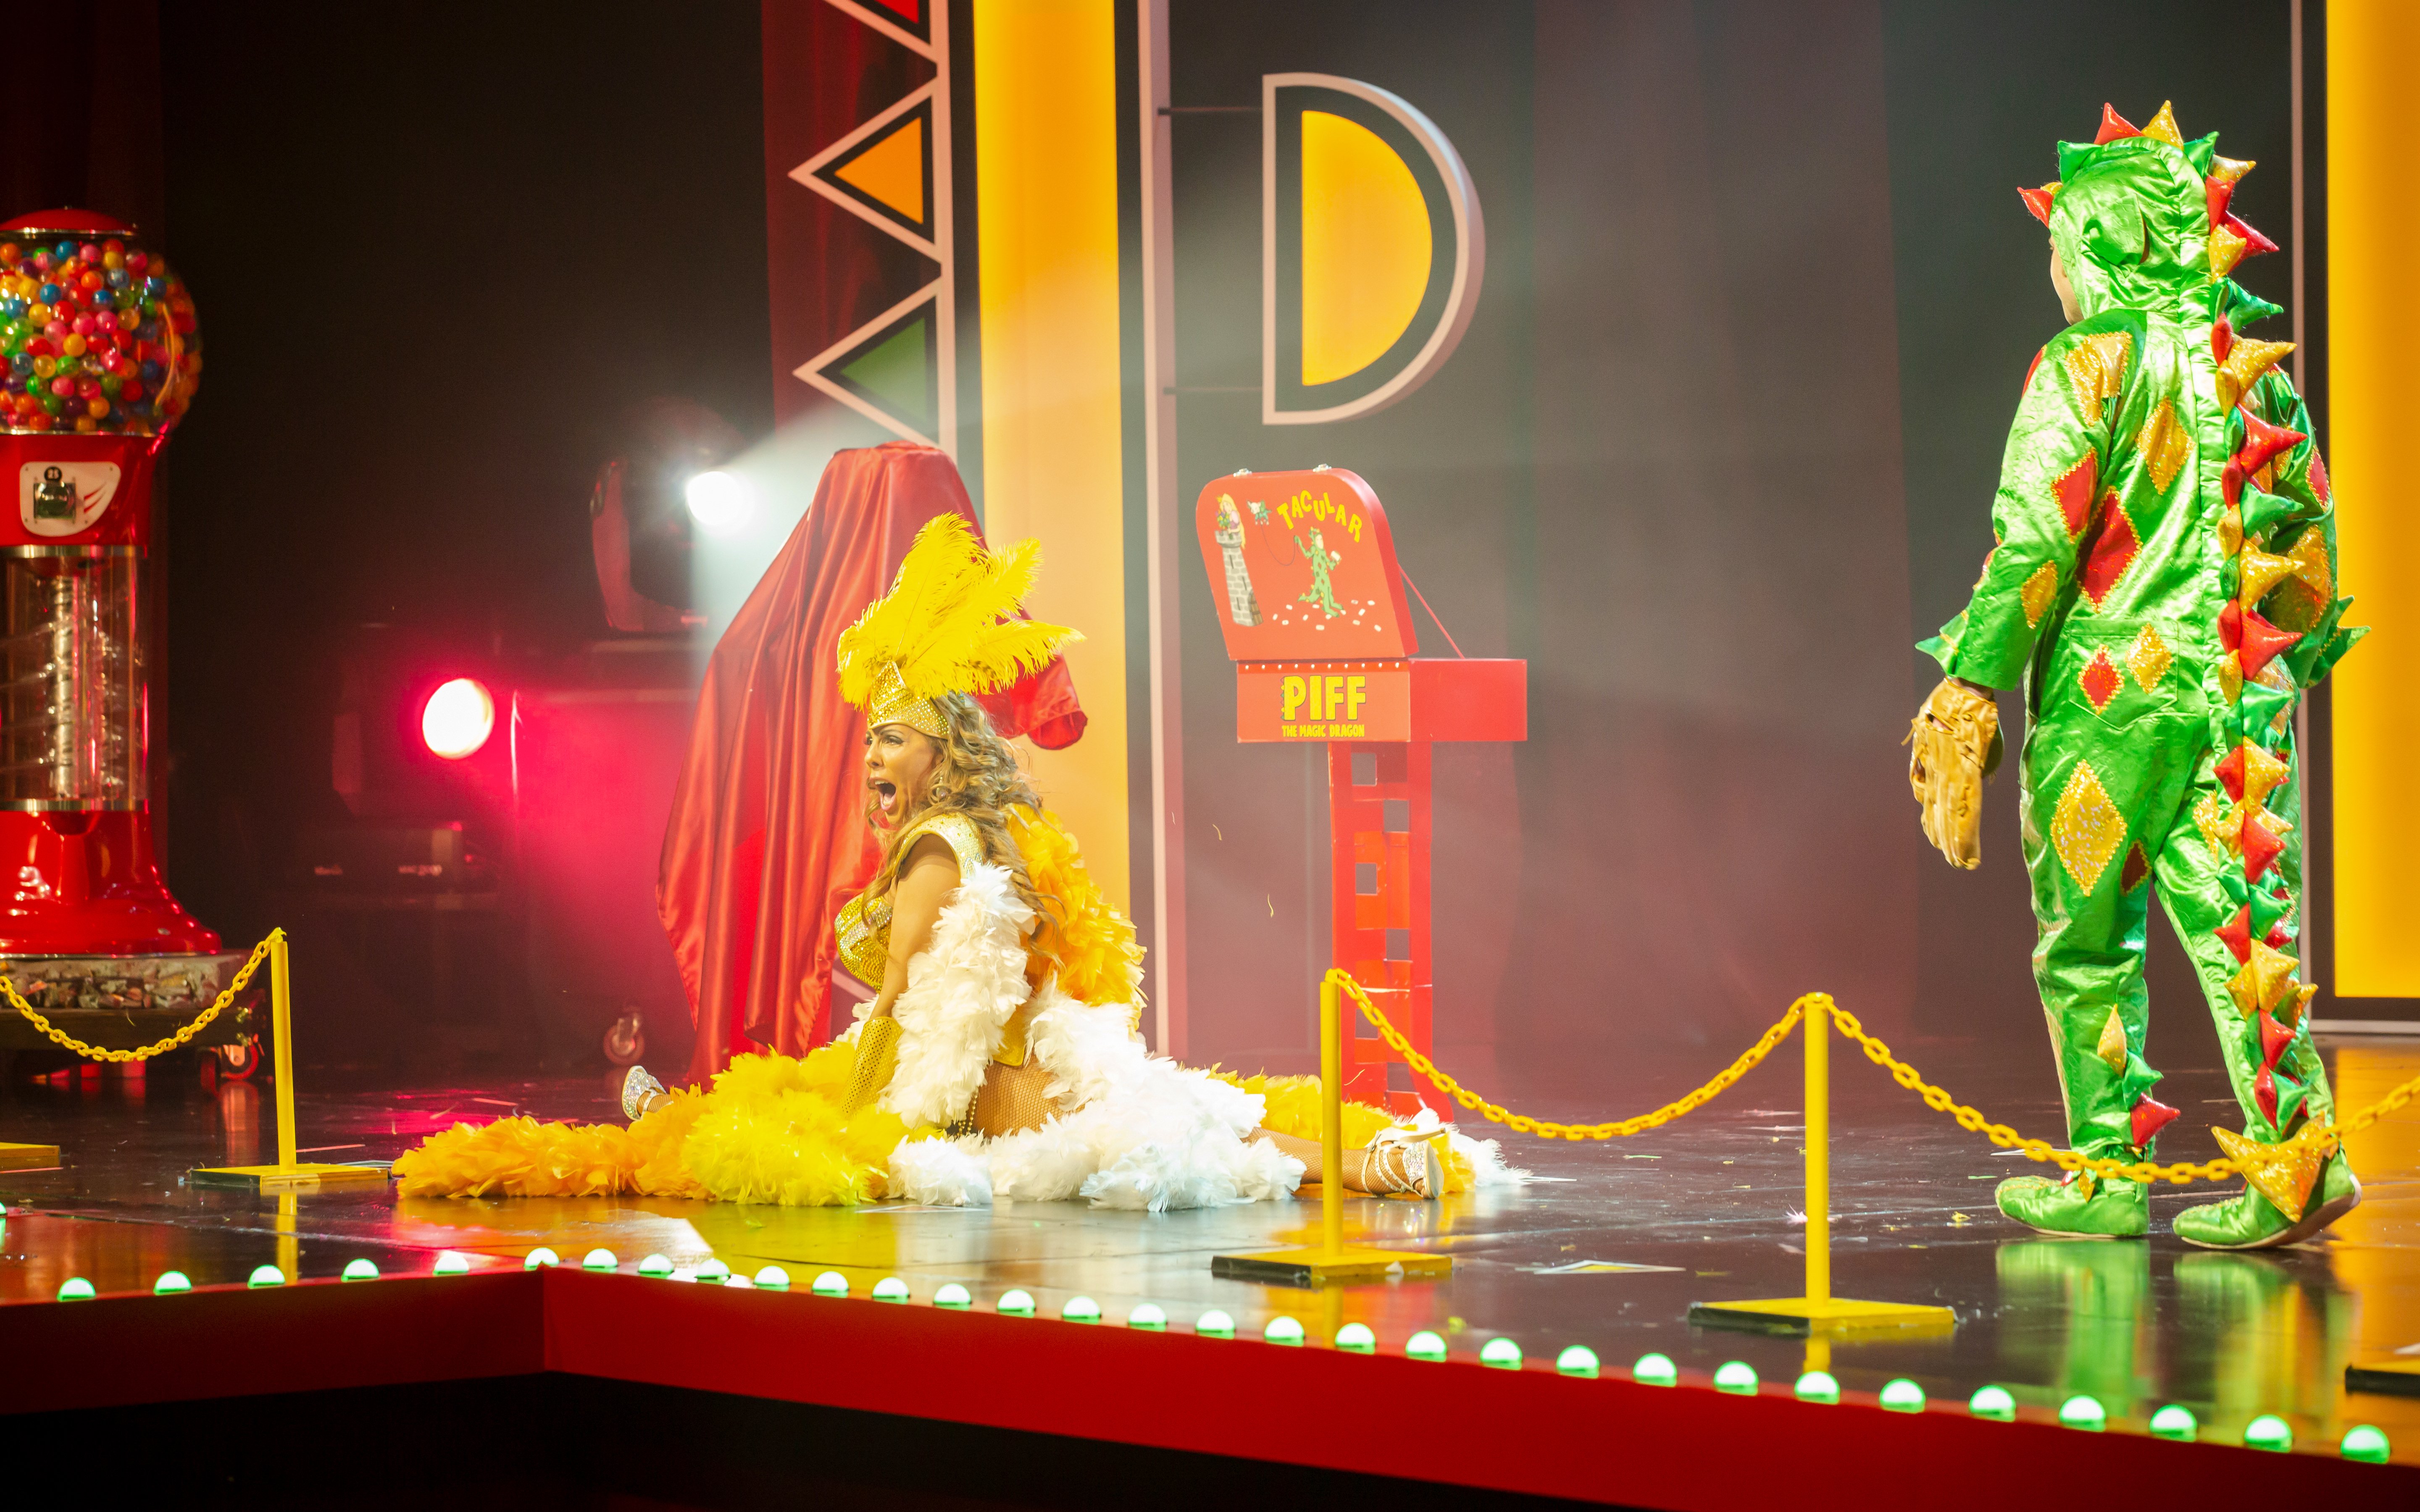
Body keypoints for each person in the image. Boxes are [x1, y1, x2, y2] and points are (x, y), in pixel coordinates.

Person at [397, 515, 1520, 1209]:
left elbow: (897, 1008)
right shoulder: (978, 832)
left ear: (941, 745)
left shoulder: (940, 844)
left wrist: (860, 1127)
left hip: (1016, 1092)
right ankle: (1378, 1168)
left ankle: (668, 1123)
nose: (871, 756)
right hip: (1033, 1064)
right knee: (1201, 1128)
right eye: (871, 737)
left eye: (890, 737)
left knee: (1184, 1144)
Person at [1906, 102, 2362, 1249]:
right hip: (2233, 694)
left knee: (2087, 938)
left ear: (2102, 245)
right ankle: (2298, 1164)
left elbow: (2038, 540)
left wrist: (1971, 679)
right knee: (2242, 928)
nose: (2056, 274)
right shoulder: (2248, 370)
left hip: (2109, 705)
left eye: (2061, 249)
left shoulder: (2086, 362)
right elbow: (2309, 541)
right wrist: (2284, 661)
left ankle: (2106, 1170)